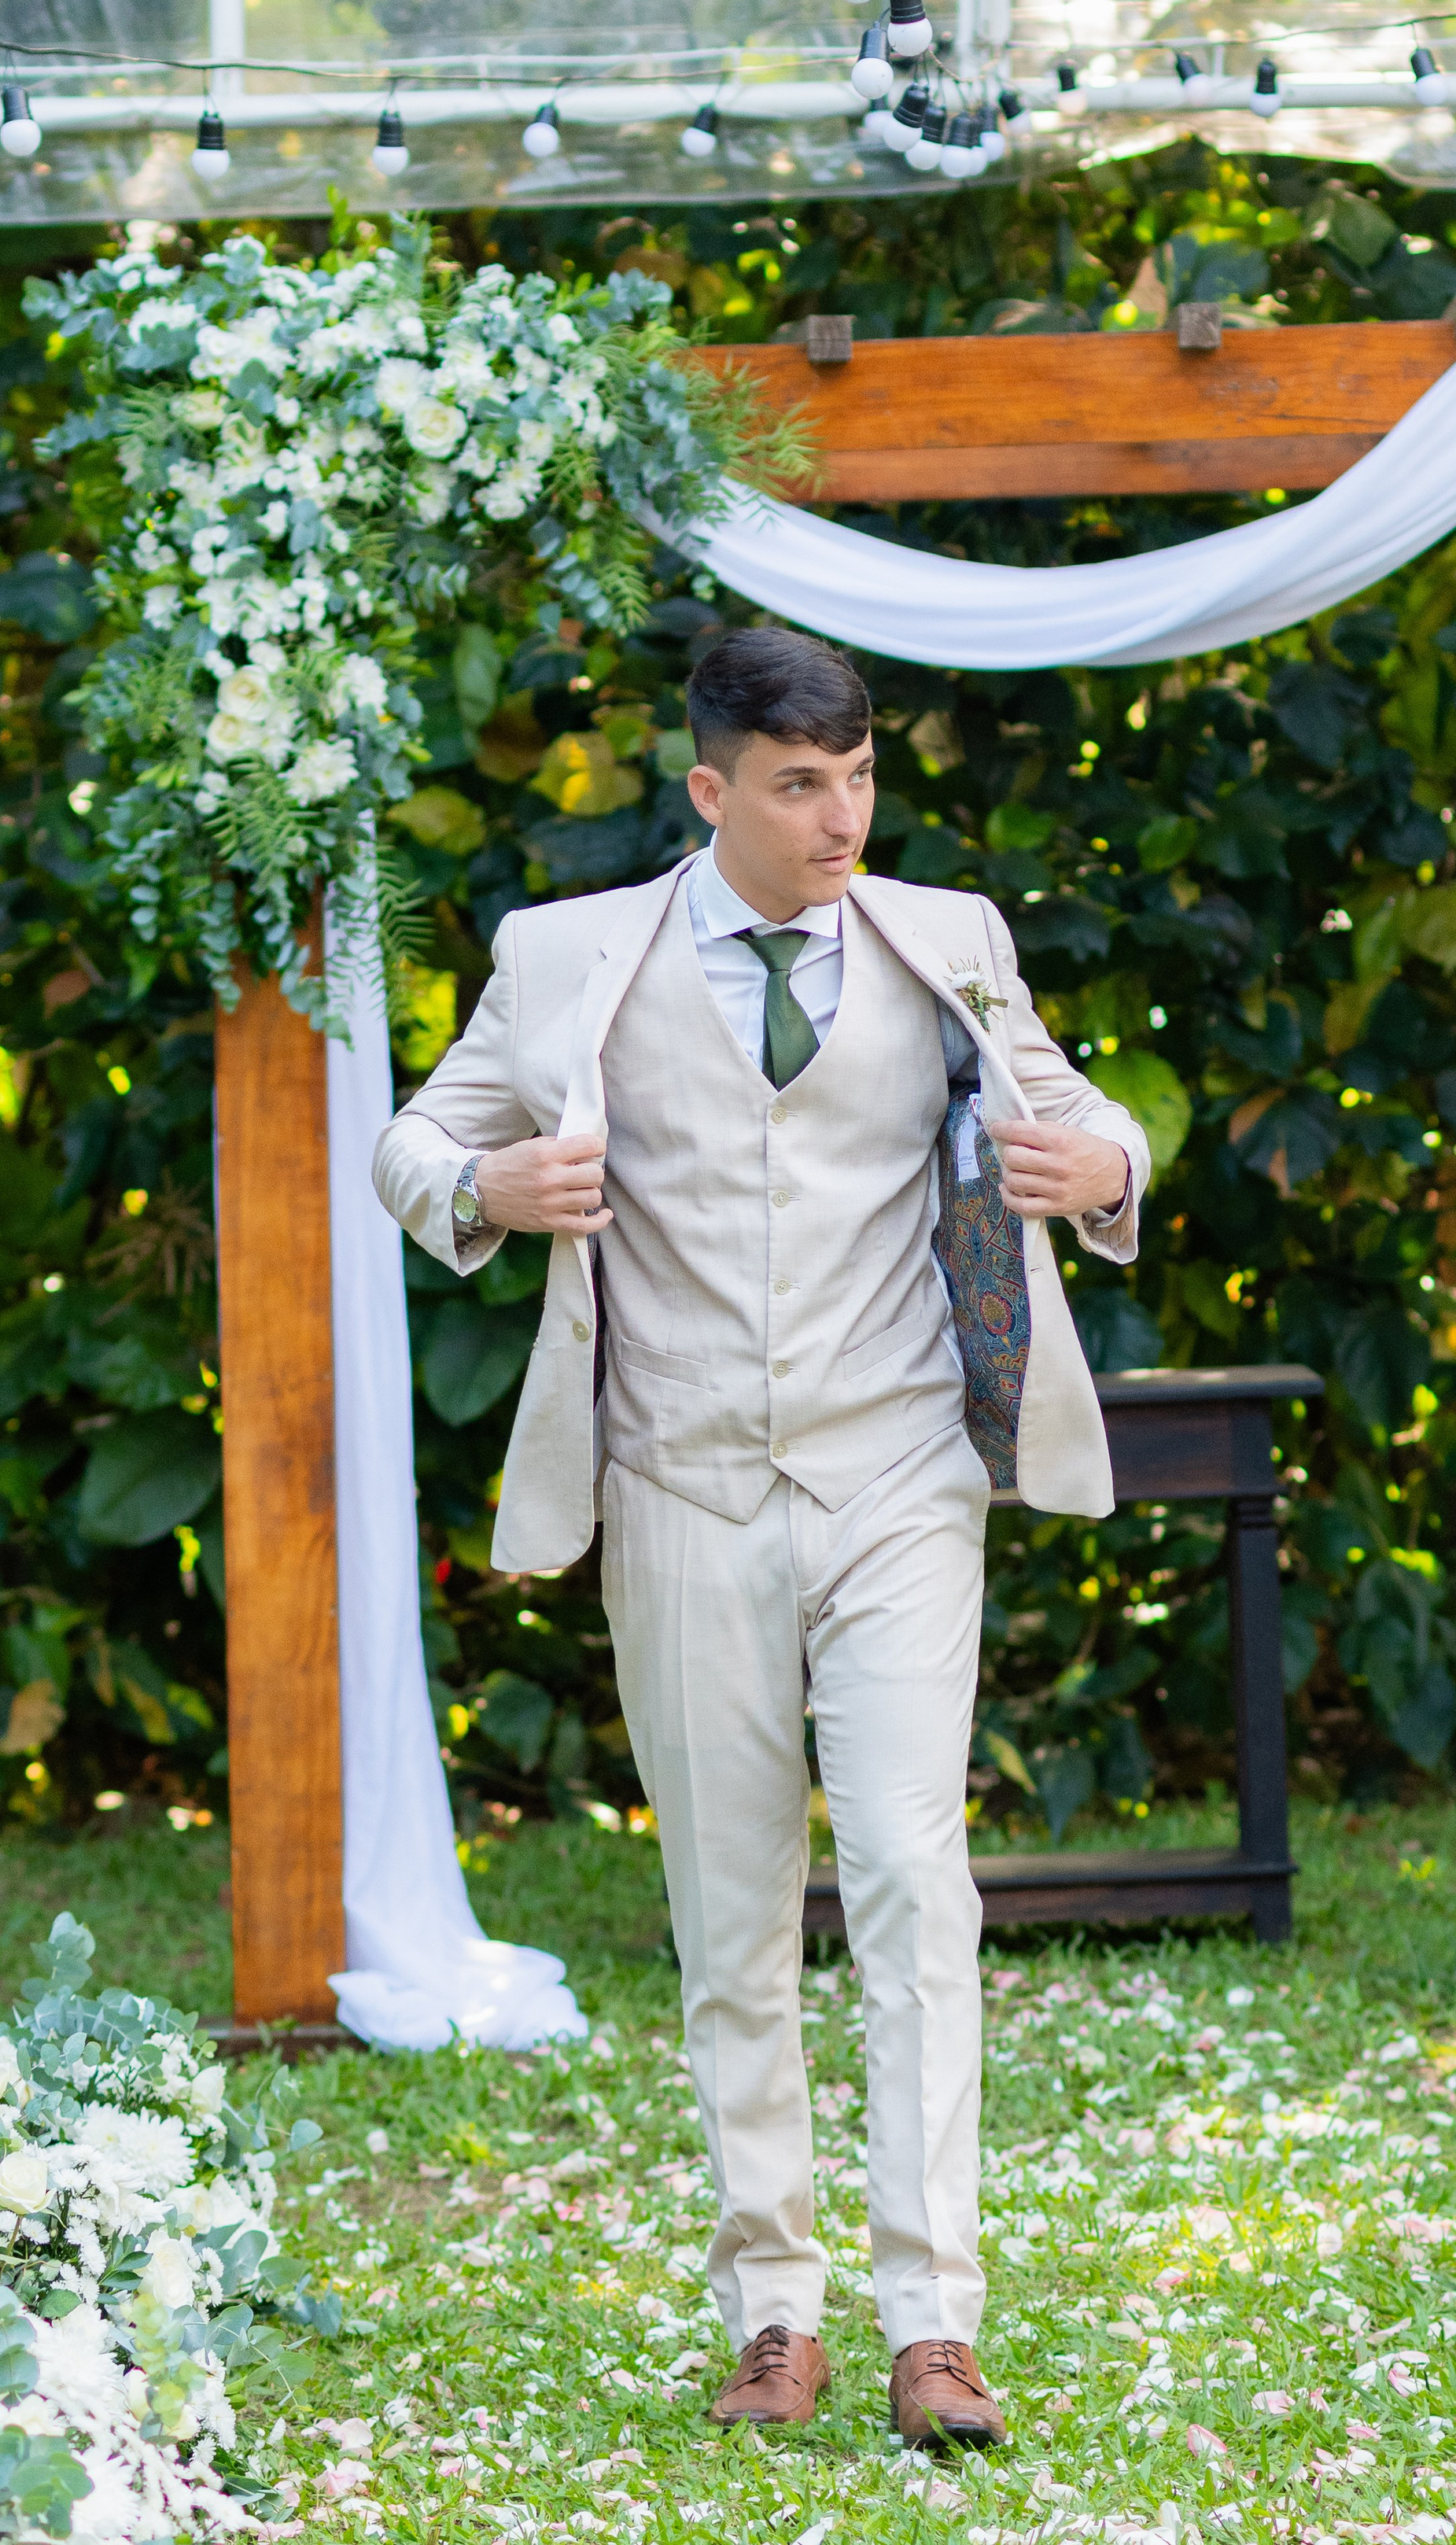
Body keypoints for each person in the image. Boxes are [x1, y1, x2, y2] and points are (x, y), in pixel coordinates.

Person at [373, 626, 1148, 2447]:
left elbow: (1080, 1113)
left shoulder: (949, 938)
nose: (841, 817)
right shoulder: (566, 958)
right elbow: (413, 1144)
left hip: (899, 1476)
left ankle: (933, 2326)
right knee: (729, 1919)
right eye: (801, 786)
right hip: (682, 1482)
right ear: (711, 788)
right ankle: (773, 2312)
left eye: (859, 778)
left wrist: (1105, 1169)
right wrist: (485, 1186)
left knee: (911, 1876)